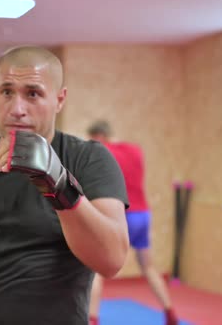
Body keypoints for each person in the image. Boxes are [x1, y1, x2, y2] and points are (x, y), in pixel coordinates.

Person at [0, 46, 131, 325]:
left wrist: (59, 186)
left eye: (33, 93)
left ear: (59, 99)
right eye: (7, 92)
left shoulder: (86, 158)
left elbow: (111, 260)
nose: (17, 109)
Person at [86, 120, 178, 325]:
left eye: (93, 139)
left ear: (99, 136)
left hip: (122, 213)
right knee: (148, 267)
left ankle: (92, 319)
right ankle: (170, 312)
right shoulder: (135, 150)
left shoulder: (102, 151)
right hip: (143, 215)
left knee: (96, 268)